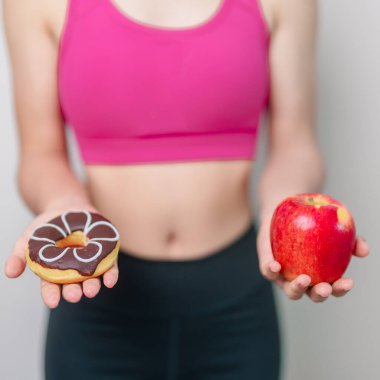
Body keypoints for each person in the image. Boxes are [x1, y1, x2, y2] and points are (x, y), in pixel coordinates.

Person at [3, 0, 369, 379]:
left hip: (238, 303)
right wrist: (66, 208)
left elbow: (297, 146)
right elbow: (40, 157)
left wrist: (289, 219)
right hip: (96, 300)